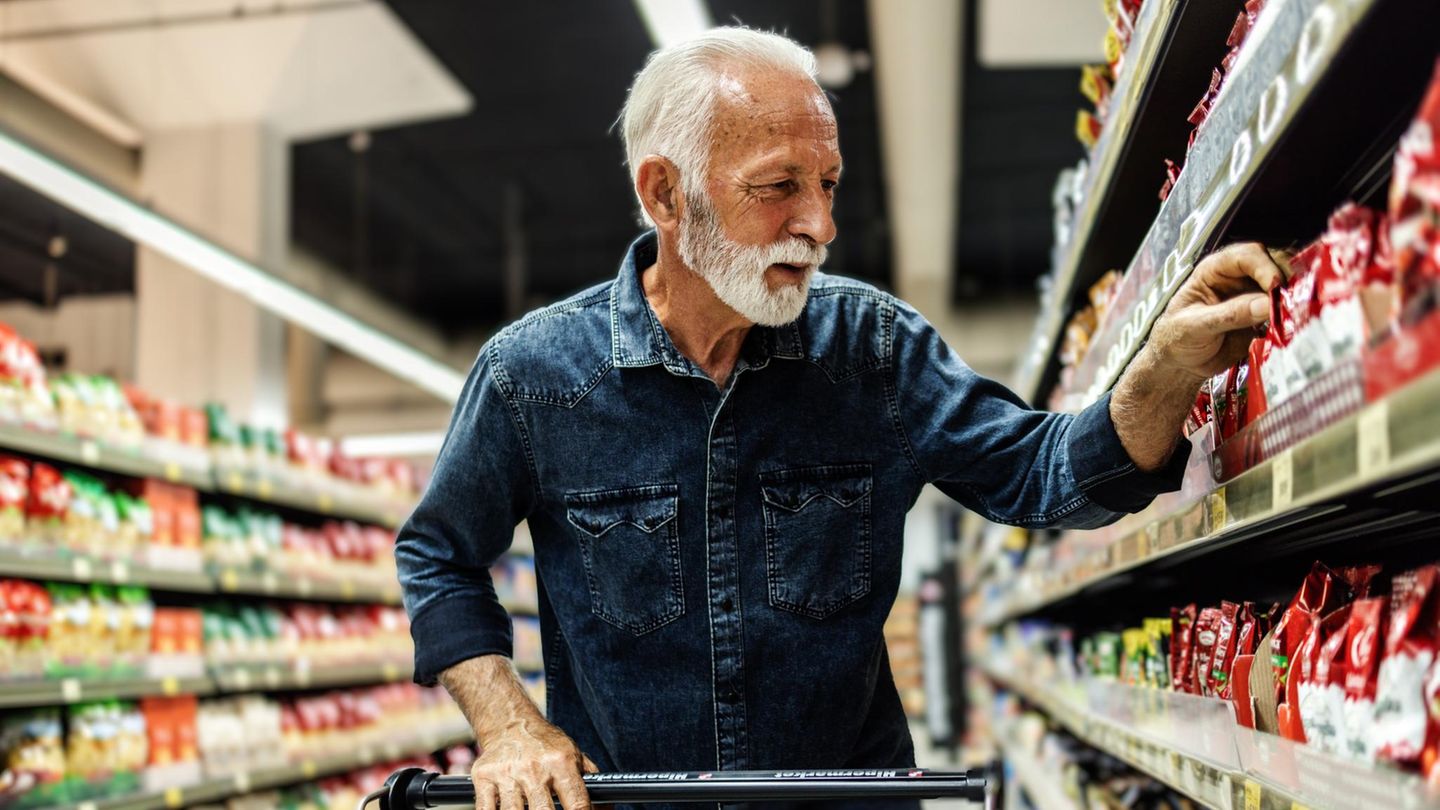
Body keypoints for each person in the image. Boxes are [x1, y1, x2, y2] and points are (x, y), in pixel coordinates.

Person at [395, 27, 1284, 810]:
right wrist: (509, 725)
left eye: (827, 182)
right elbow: (438, 553)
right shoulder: (534, 377)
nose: (819, 223)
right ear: (665, 196)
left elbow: (1046, 476)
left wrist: (1163, 368)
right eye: (778, 186)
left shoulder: (876, 351)